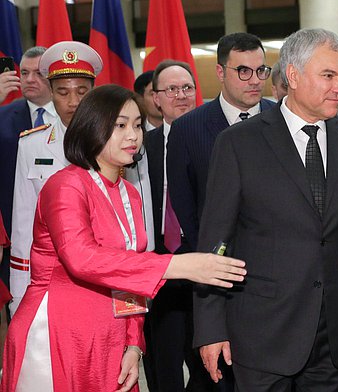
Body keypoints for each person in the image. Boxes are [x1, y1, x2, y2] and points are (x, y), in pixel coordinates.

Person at [1, 84, 246, 392]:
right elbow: (82, 258)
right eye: (120, 125)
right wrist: (178, 266)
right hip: (58, 331)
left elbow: (129, 274)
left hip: (110, 334)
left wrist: (133, 344)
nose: (133, 135)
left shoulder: (129, 192)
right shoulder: (65, 186)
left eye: (137, 125)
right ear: (91, 127)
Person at [194, 28, 338, 391]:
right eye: (328, 76)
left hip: (337, 333)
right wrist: (210, 327)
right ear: (293, 76)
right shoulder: (238, 143)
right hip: (262, 331)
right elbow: (216, 240)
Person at [8, 41, 101, 315]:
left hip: (103, 276)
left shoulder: (118, 140)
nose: (73, 102)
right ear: (51, 93)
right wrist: (20, 295)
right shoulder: (32, 145)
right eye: (62, 92)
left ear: (93, 92)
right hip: (48, 280)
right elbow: (23, 224)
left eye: (82, 92)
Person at [167, 32, 275, 251]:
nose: (255, 80)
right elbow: (184, 205)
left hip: (279, 260)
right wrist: (210, 255)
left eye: (261, 71)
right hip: (217, 264)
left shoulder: (281, 120)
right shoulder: (187, 129)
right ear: (220, 72)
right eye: (243, 71)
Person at [141, 59, 202, 391]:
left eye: (187, 88)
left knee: (208, 363)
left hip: (201, 263)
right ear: (156, 98)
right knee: (163, 364)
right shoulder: (139, 147)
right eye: (172, 89)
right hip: (157, 267)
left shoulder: (216, 140)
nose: (181, 95)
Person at [0, 47, 54, 292]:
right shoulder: (3, 115)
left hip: (61, 231)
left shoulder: (76, 115)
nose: (29, 79)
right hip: (13, 234)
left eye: (39, 73)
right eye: (24, 72)